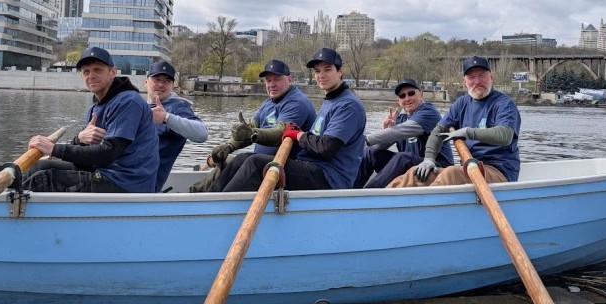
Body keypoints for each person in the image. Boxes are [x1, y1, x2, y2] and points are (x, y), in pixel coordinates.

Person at [218, 48, 366, 192]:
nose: (321, 75)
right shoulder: (331, 100)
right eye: (317, 71)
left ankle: (217, 210)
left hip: (329, 177)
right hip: (312, 166)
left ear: (340, 72)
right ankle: (210, 198)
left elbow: (327, 147)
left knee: (255, 164)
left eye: (327, 69)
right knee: (242, 159)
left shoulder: (348, 105)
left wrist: (298, 135)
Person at [24, 47, 159, 193]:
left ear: (113, 72)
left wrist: (53, 149)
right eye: (86, 72)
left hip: (126, 182)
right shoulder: (96, 108)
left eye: (97, 70)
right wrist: (79, 139)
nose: (91, 76)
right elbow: (86, 158)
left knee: (43, 180)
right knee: (38, 167)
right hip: (104, 171)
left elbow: (108, 153)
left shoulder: (129, 102)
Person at [389, 55, 520, 187]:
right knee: (415, 173)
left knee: (452, 173)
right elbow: (437, 132)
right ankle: (377, 202)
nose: (477, 81)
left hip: (499, 170)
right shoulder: (461, 103)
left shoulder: (504, 104)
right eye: (471, 77)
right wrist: (429, 159)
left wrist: (467, 132)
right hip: (469, 168)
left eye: (482, 76)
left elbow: (505, 136)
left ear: (491, 77)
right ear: (465, 81)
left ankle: (426, 206)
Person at [192, 59, 316, 192]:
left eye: (277, 79)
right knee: (234, 160)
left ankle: (218, 203)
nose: (272, 84)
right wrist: (229, 146)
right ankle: (199, 194)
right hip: (262, 163)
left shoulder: (296, 103)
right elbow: (249, 126)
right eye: (268, 80)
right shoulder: (269, 102)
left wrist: (253, 134)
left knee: (250, 161)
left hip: (286, 169)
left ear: (290, 79)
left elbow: (279, 133)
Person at [357, 77, 454, 188]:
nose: (407, 98)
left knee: (402, 158)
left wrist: (363, 140)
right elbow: (380, 146)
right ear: (398, 101)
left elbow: (400, 131)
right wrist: (387, 129)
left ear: (421, 94)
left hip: (437, 166)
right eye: (402, 96)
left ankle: (368, 195)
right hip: (411, 163)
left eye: (411, 93)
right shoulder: (401, 117)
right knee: (370, 153)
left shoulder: (429, 112)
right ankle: (349, 192)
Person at [145, 60, 208, 191]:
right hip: (120, 170)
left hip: (141, 183)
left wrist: (166, 118)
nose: (161, 84)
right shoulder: (139, 107)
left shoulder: (177, 107)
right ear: (146, 82)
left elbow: (202, 133)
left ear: (172, 86)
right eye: (156, 79)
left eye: (167, 81)